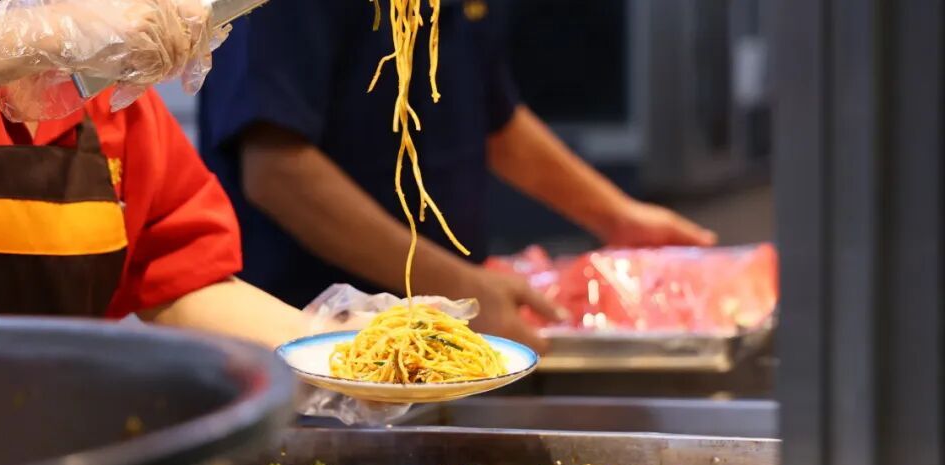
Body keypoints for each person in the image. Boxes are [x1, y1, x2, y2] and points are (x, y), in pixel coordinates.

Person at [198, 0, 717, 352]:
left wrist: (618, 217)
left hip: (442, 333)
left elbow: (495, 118)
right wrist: (463, 288)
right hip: (308, 338)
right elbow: (277, 170)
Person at [0, 0, 308, 349]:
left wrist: (327, 346)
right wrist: (46, 33)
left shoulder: (104, 86)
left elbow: (185, 281)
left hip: (59, 424)